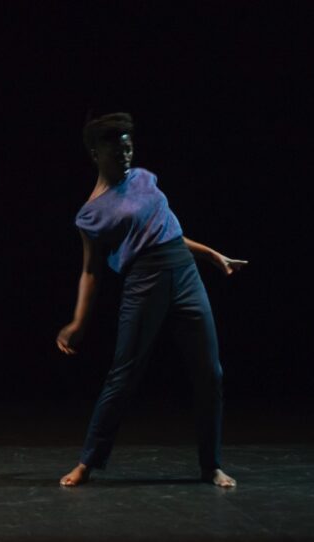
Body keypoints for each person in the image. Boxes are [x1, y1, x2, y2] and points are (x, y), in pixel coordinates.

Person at [56, 113, 246, 488]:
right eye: (116, 149)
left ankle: (211, 466)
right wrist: (78, 322)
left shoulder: (144, 178)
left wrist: (211, 255)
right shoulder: (91, 214)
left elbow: (169, 230)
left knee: (210, 373)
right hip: (145, 281)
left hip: (185, 273)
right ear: (96, 154)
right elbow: (91, 271)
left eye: (128, 147)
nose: (125, 155)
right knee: (123, 375)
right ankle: (87, 462)